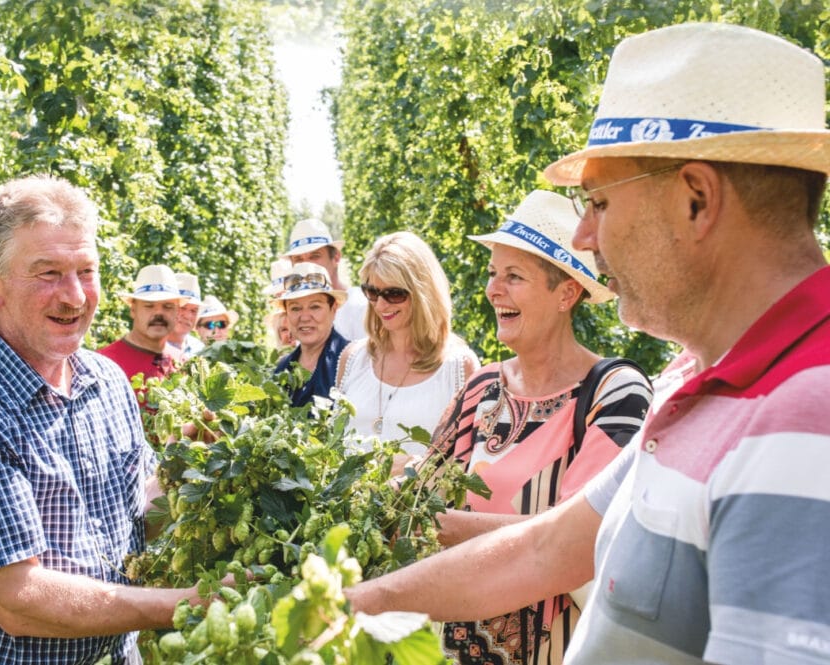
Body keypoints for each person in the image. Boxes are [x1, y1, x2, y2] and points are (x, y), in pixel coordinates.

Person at [346, 23, 830, 665]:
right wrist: (347, 605)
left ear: (696, 199)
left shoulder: (806, 415)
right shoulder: (691, 383)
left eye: (599, 201)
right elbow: (550, 548)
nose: (584, 236)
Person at [0, 176, 200, 665]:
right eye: (48, 273)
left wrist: (192, 461)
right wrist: (192, 604)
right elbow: (23, 601)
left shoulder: (106, 381)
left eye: (86, 270)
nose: (75, 296)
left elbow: (134, 511)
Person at [423, 190, 653, 665]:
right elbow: (420, 490)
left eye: (514, 277)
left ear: (566, 293)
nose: (493, 290)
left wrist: (439, 528)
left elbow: (577, 538)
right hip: (450, 646)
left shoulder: (615, 393)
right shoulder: (482, 387)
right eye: (492, 274)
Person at [336, 231, 479, 458]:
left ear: (424, 293)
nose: (381, 305)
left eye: (394, 294)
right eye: (372, 292)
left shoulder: (459, 368)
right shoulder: (353, 359)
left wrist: (416, 469)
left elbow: (466, 462)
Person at [272, 262, 350, 407]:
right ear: (287, 314)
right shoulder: (282, 368)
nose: (305, 317)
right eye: (296, 308)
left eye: (315, 307)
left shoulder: (352, 362)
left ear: (333, 309)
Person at [282, 218, 368, 340]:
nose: (307, 265)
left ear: (336, 258)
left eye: (315, 256)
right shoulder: (299, 314)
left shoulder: (360, 305)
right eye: (299, 259)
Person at [98, 264, 185, 383]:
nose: (159, 313)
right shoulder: (104, 365)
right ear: (133, 310)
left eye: (167, 306)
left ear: (178, 312)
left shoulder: (182, 362)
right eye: (149, 306)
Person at [167, 271, 206, 357]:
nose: (188, 316)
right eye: (182, 307)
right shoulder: (149, 346)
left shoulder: (200, 350)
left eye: (194, 311)